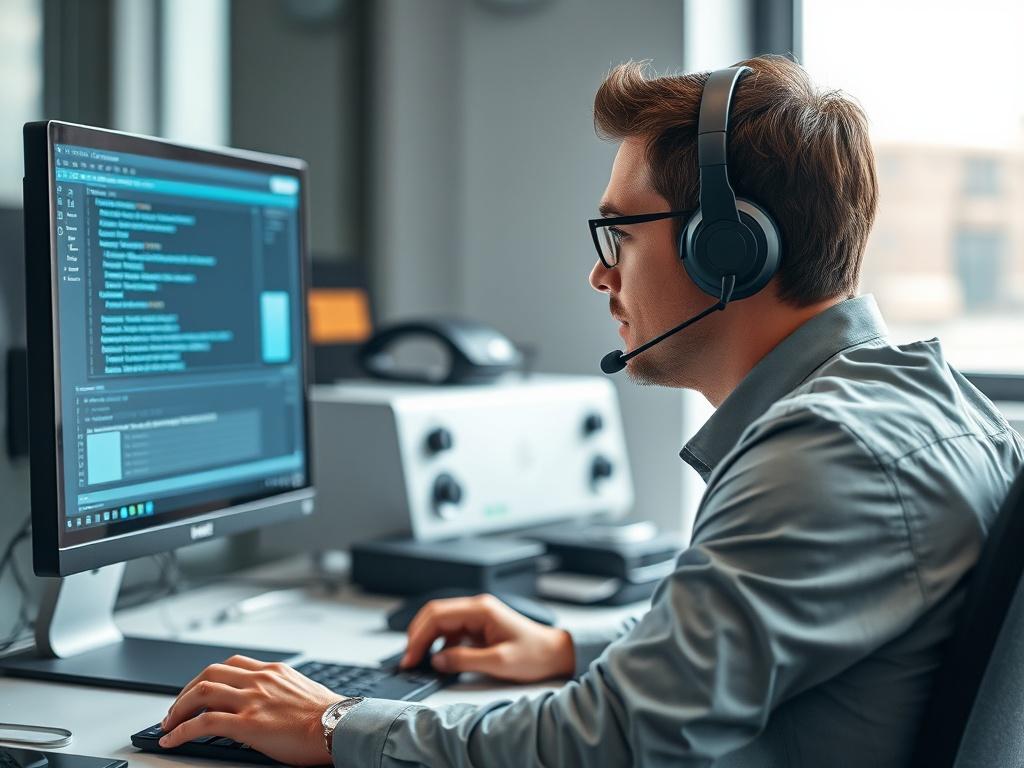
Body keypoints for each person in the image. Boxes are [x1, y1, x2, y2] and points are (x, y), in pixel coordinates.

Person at [156, 55, 1024, 767]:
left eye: (622, 234)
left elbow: (611, 742)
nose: (599, 274)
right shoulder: (929, 409)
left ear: (727, 249)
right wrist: (566, 645)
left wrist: (336, 725)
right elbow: (744, 630)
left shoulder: (827, 457)